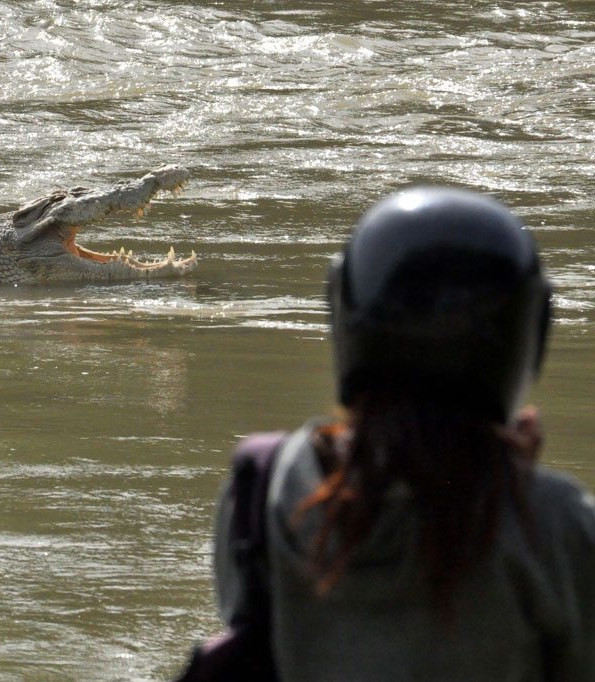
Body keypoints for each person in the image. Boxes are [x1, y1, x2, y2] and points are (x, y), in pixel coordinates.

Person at [184, 187, 595, 681]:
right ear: (531, 331)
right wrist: (518, 489)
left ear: (344, 314)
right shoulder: (558, 524)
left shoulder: (267, 484)